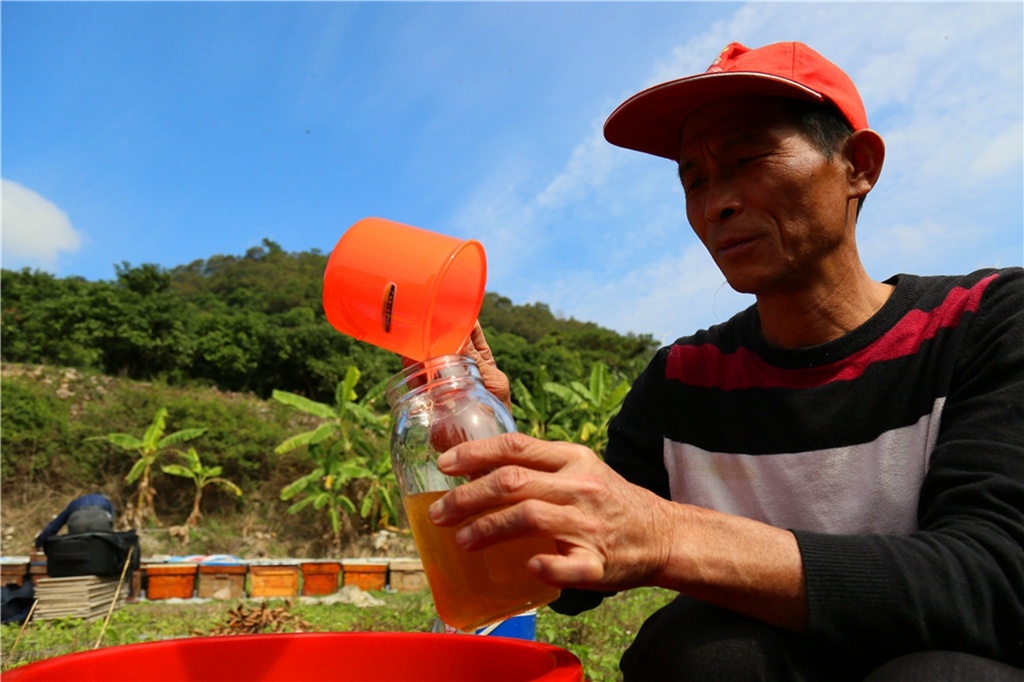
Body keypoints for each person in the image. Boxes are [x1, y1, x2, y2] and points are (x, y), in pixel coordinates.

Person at [431, 42, 1024, 680]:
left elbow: (998, 579)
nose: (717, 203)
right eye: (694, 180)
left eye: (747, 159)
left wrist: (665, 535)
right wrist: (486, 427)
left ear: (858, 165)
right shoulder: (685, 380)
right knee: (703, 651)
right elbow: (570, 579)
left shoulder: (986, 322)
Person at [34, 492, 115, 549]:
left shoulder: (75, 502)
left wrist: (39, 543)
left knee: (78, 546)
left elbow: (54, 526)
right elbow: (111, 522)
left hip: (77, 521)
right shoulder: (107, 501)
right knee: (103, 545)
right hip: (100, 520)